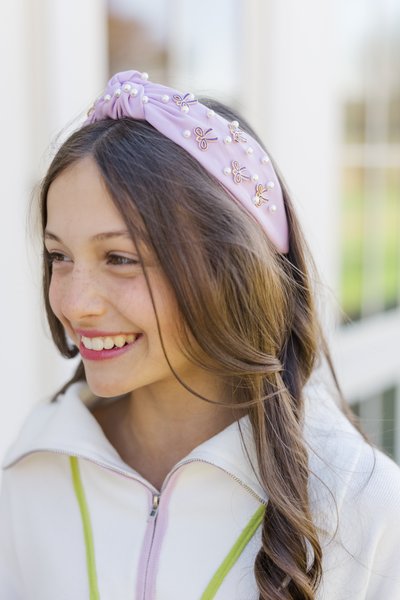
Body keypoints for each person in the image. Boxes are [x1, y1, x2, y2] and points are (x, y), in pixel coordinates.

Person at [0, 69, 399, 600]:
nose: (73, 302)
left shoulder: (360, 504)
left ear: (232, 267)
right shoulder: (35, 461)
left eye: (120, 258)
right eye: (59, 257)